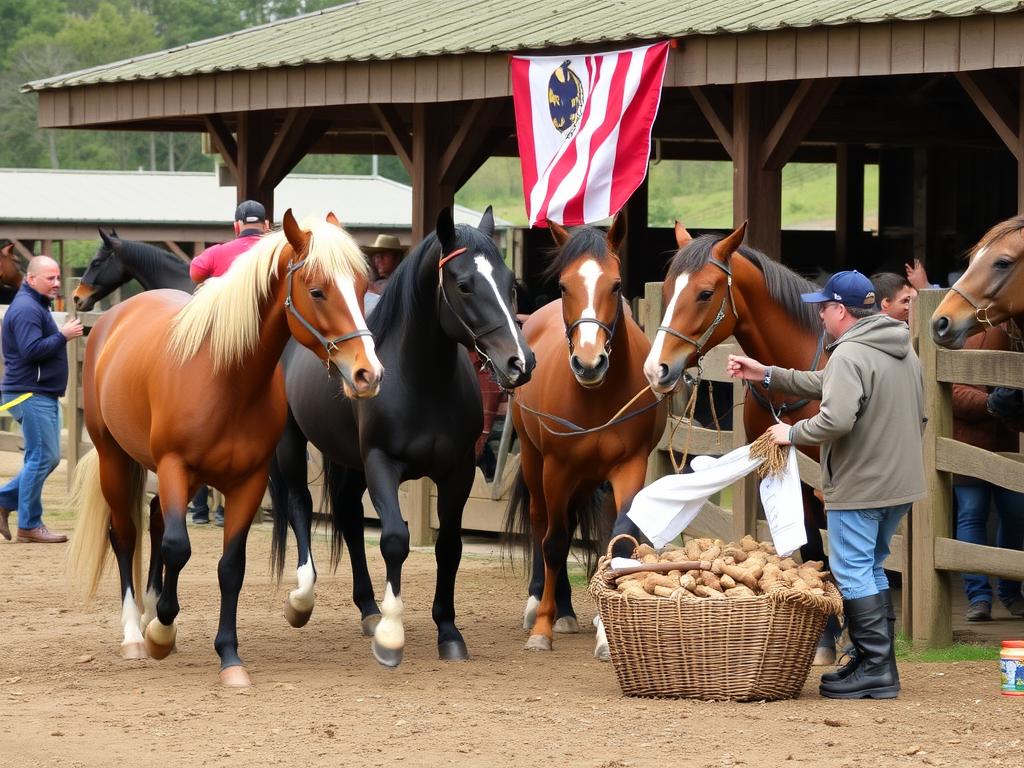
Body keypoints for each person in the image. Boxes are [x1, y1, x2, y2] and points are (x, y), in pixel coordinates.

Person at [727, 270, 925, 699]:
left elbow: (836, 418)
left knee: (852, 572)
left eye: (823, 307)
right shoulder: (899, 349)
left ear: (840, 310)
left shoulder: (850, 355)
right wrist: (766, 374)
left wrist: (791, 434)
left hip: (860, 485)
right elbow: (829, 385)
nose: (817, 315)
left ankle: (874, 669)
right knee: (871, 569)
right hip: (899, 485)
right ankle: (875, 664)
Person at [187, 199, 270, 525]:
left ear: (236, 226)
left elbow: (194, 272)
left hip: (224, 352)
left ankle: (201, 509)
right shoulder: (273, 252)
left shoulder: (220, 252)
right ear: (266, 225)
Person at [0, 256, 83, 543]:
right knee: (43, 457)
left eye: (58, 278)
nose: (57, 284)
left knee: (43, 458)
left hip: (39, 393)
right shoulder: (26, 309)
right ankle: (29, 525)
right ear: (31, 279)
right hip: (29, 393)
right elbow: (31, 350)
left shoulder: (35, 305)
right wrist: (64, 335)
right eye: (51, 278)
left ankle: (3, 502)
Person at [951, 324, 1024, 621]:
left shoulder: (1014, 339)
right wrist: (991, 404)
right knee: (971, 513)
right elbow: (952, 392)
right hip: (969, 445)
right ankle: (979, 596)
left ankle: (1009, 591)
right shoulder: (963, 336)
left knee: (1016, 513)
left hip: (1008, 444)